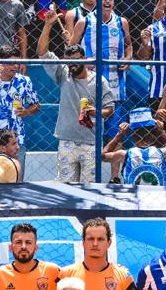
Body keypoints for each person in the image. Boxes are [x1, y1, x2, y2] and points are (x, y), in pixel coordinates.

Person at [37, 11, 116, 182]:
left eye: (76, 60)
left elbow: (110, 109)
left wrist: (96, 112)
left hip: (91, 142)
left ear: (84, 59)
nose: (72, 64)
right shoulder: (63, 74)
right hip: (67, 140)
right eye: (69, 60)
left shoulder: (98, 81)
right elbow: (42, 53)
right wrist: (48, 25)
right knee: (66, 189)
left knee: (89, 189)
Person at [71, 0, 132, 109]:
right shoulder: (84, 22)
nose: (108, 1)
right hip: (90, 81)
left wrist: (128, 58)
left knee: (114, 125)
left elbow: (129, 45)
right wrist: (82, 62)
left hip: (115, 82)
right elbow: (70, 50)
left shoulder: (122, 22)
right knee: (90, 123)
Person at [103, 108, 166, 185]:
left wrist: (119, 135)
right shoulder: (164, 153)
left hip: (132, 196)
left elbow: (102, 156)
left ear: (133, 137)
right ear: (153, 136)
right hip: (157, 195)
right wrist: (162, 133)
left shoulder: (124, 155)